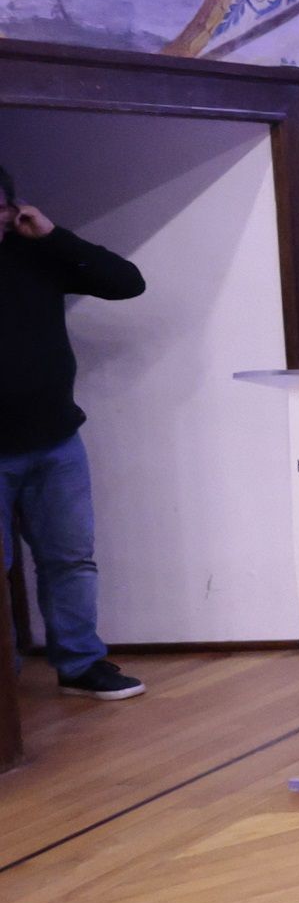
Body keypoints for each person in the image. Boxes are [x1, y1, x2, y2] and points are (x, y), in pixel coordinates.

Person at [0, 165, 146, 702]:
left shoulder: (36, 252)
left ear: (13, 210)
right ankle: (4, 679)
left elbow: (127, 283)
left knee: (70, 558)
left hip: (55, 438)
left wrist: (54, 236)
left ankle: (80, 664)